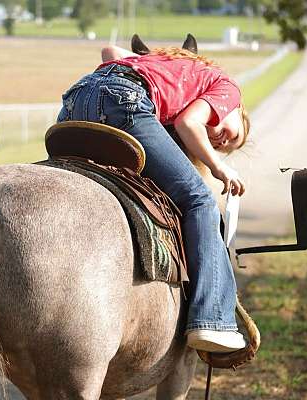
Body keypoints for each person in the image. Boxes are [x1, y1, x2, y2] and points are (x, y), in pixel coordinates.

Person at [56, 44, 250, 353]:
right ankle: (212, 319)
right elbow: (189, 123)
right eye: (233, 135)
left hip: (74, 101)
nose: (222, 141)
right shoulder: (228, 88)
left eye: (224, 146)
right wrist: (218, 166)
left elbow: (109, 51)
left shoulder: (162, 65)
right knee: (199, 199)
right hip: (126, 101)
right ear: (237, 111)